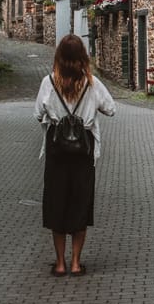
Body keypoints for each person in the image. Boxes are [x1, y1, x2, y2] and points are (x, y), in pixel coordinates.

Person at [34, 34, 116, 277]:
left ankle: (60, 264)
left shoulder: (48, 83)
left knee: (57, 203)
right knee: (80, 204)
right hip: (83, 150)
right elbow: (111, 109)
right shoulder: (93, 84)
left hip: (57, 150)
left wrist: (56, 114)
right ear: (83, 57)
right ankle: (76, 263)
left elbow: (38, 113)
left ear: (59, 57)